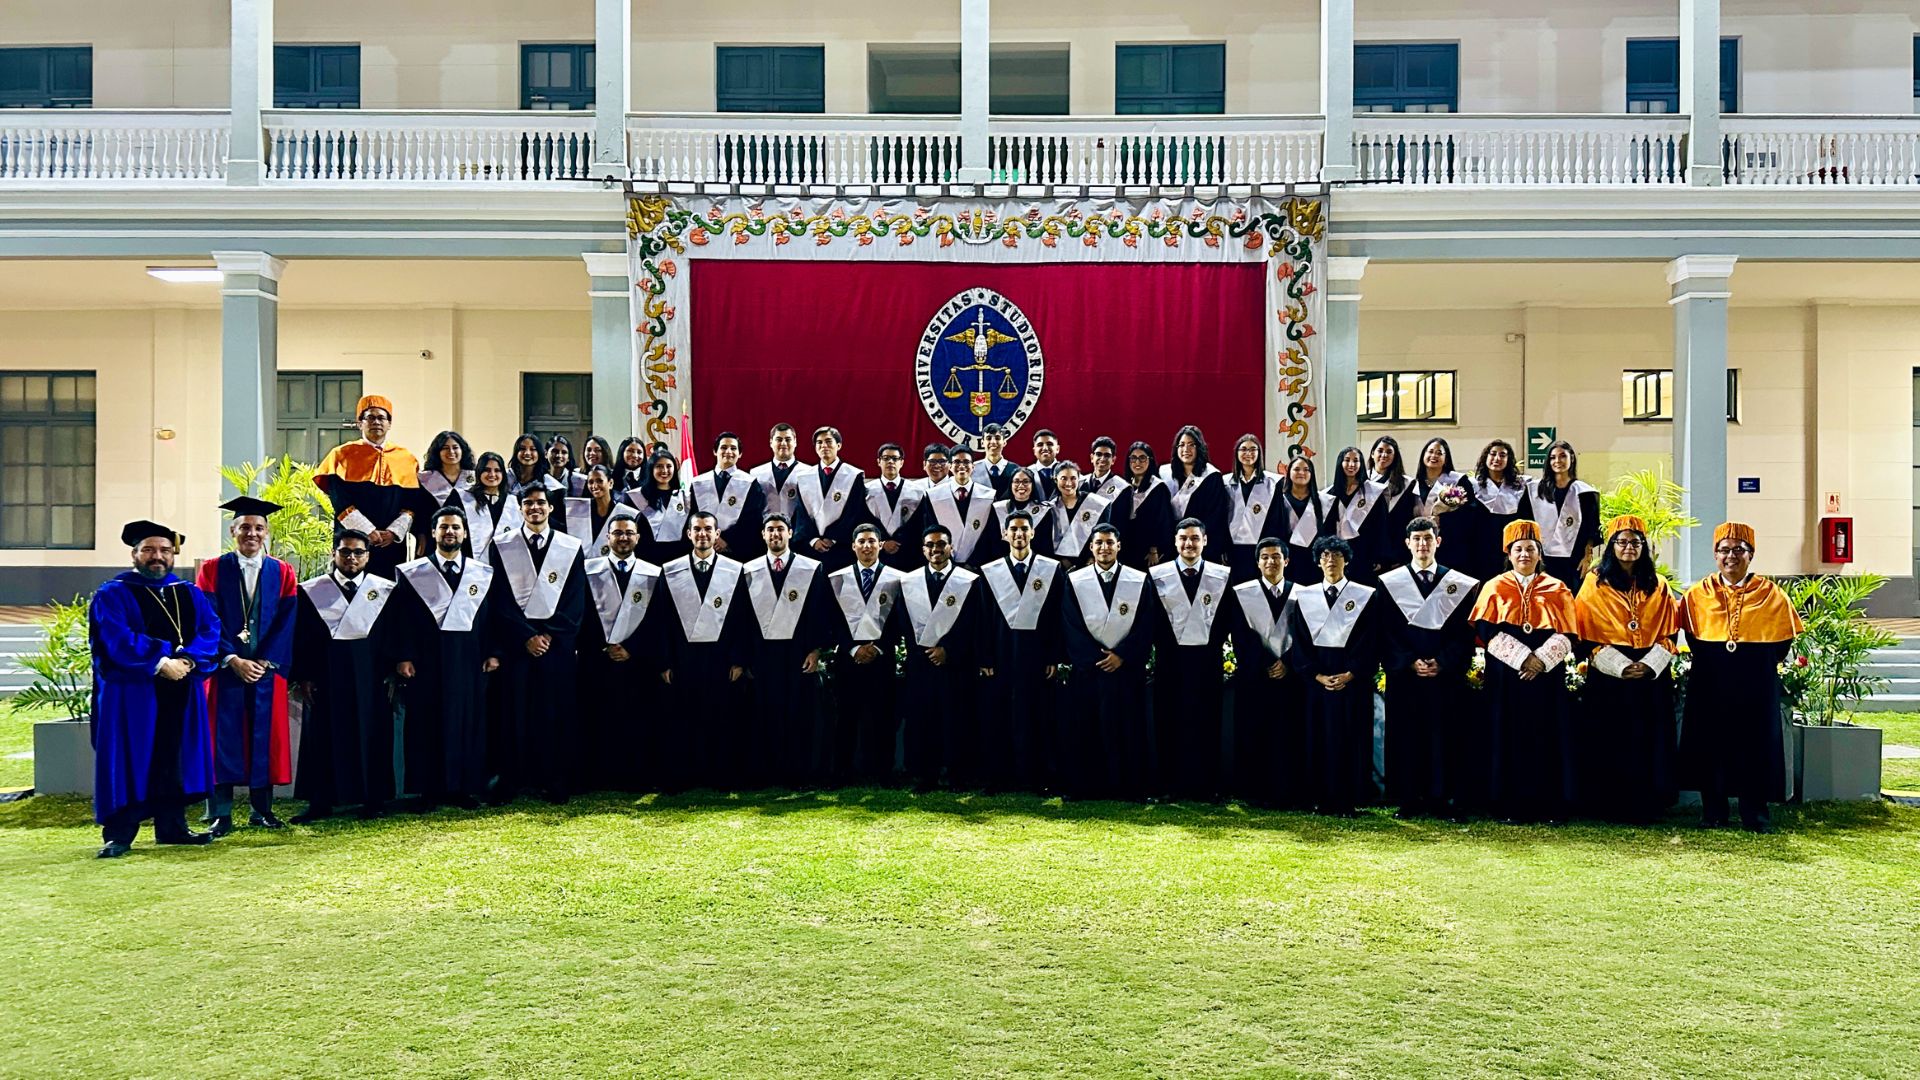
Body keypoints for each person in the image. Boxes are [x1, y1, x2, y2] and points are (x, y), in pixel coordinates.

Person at [90, 521, 219, 857]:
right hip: (133, 692)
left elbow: (210, 629)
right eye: (148, 549)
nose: (157, 556)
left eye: (164, 550)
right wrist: (161, 662)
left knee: (173, 756)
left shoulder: (188, 592)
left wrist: (188, 661)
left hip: (181, 687)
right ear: (134, 554)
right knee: (132, 757)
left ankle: (172, 827)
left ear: (173, 554)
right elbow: (115, 638)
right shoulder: (113, 593)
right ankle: (119, 834)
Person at [1678, 522, 1803, 833]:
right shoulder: (1698, 594)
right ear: (1715, 555)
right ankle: (1713, 812)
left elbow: (1782, 643)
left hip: (1755, 681)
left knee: (1756, 746)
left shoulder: (1772, 595)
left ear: (1751, 554)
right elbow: (1692, 638)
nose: (1730, 556)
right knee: (1710, 743)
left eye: (1738, 550)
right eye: (1724, 550)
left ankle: (1755, 814)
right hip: (1711, 680)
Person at [198, 496, 298, 836]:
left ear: (266, 532)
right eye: (244, 527)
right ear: (232, 531)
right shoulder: (212, 569)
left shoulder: (282, 571)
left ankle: (262, 810)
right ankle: (220, 814)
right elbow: (207, 618)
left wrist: (265, 660)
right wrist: (232, 659)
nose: (251, 533)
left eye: (258, 528)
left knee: (263, 739)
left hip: (266, 671)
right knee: (222, 738)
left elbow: (287, 620)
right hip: (225, 670)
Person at [1468, 520, 1580, 822]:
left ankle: (1549, 805)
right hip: (1506, 678)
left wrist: (1540, 660)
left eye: (1531, 549)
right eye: (1518, 549)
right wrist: (1522, 659)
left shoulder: (1558, 588)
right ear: (1509, 553)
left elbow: (1569, 632)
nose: (1525, 554)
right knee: (1506, 736)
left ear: (1540, 553)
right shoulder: (1494, 587)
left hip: (1546, 678)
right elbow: (1485, 630)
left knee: (1547, 736)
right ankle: (1508, 804)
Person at [389, 506, 499, 809]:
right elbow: (402, 619)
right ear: (434, 532)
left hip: (469, 658)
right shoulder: (414, 573)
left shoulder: (481, 574)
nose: (449, 532)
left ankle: (463, 788)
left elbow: (491, 617)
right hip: (427, 660)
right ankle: (427, 790)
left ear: (465, 533)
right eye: (444, 527)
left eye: (455, 527)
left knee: (466, 722)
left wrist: (493, 652)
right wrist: (404, 656)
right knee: (426, 722)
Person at [1575, 515, 1682, 823]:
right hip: (1610, 675)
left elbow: (1671, 632)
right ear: (1611, 546)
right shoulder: (1594, 583)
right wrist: (1621, 666)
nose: (1628, 548)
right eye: (1621, 542)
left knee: (1649, 741)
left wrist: (1648, 664)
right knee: (1610, 740)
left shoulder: (1659, 585)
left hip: (1650, 675)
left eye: (1635, 542)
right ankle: (1608, 803)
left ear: (1643, 547)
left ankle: (1650, 803)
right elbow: (1584, 634)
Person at [488, 482, 587, 803]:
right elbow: (499, 598)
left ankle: (554, 779)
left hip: (555, 647)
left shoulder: (570, 547)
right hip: (517, 646)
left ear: (550, 507)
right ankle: (512, 779)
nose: (535, 508)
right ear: (520, 509)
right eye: (528, 503)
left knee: (554, 713)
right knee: (514, 713)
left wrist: (548, 635)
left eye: (540, 503)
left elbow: (575, 599)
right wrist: (526, 636)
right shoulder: (502, 546)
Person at [1376, 518, 1479, 819]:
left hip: (1444, 675)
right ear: (1407, 543)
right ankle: (1408, 798)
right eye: (1417, 539)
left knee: (1444, 735)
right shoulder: (1389, 583)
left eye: (1428, 538)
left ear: (1438, 542)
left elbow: (1464, 632)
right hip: (1405, 675)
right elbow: (1384, 631)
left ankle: (1442, 797)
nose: (1423, 544)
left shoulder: (1458, 584)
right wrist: (1409, 660)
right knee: (1407, 736)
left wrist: (1443, 661)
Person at [290, 530, 395, 823]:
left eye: (358, 552)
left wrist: (392, 671)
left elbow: (392, 635)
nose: (352, 558)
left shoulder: (383, 591)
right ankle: (320, 801)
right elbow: (302, 637)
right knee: (322, 737)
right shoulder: (313, 591)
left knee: (372, 734)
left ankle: (373, 799)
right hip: (325, 676)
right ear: (334, 554)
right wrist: (304, 676)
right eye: (345, 551)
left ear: (368, 556)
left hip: (370, 677)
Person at [1284, 536, 1383, 816]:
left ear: (1346, 560)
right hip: (1318, 683)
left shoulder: (1365, 596)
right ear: (1318, 562)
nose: (1331, 560)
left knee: (1351, 738)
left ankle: (1350, 798)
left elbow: (1370, 640)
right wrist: (1316, 675)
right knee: (1318, 738)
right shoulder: (1305, 597)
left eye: (1337, 555)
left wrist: (1351, 674)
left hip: (1352, 682)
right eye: (1325, 555)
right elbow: (1300, 641)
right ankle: (1319, 797)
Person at [1060, 524, 1160, 799]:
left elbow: (1146, 623)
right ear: (1091, 547)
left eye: (1109, 543)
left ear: (1119, 546)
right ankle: (1087, 787)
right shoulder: (1075, 580)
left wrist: (1122, 655)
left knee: (1129, 727)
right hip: (1090, 671)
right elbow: (1070, 624)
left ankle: (1130, 787)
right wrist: (1096, 658)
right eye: (1099, 543)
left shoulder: (1138, 580)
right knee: (1087, 727)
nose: (1104, 548)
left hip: (1126, 670)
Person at [656, 511, 748, 791]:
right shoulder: (670, 570)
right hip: (683, 657)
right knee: (683, 716)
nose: (702, 534)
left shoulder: (735, 570)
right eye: (697, 529)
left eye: (708, 529)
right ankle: (684, 775)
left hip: (721, 656)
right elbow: (662, 620)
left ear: (717, 534)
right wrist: (665, 661)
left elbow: (742, 618)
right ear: (689, 534)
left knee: (720, 716)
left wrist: (738, 659)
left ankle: (719, 775)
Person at [739, 514, 833, 788]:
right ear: (763, 535)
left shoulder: (810, 568)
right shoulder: (749, 570)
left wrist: (815, 650)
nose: (775, 534)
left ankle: (797, 774)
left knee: (798, 714)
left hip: (797, 652)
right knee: (763, 714)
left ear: (790, 533)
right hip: (763, 654)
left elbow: (820, 612)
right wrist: (745, 657)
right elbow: (742, 618)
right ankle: (765, 773)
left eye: (781, 529)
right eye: (770, 529)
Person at [978, 508, 1065, 793]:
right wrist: (986, 655)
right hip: (1001, 653)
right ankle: (999, 777)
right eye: (1013, 529)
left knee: (1038, 714)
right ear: (1004, 534)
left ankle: (1038, 776)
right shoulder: (990, 572)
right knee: (1000, 715)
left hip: (1037, 655)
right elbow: (983, 617)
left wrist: (1053, 655)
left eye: (1024, 529)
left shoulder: (1050, 569)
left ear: (1033, 533)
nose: (1019, 534)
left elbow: (1057, 616)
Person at [576, 508, 662, 793]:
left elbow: (657, 621)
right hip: (598, 659)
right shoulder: (589, 571)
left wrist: (632, 649)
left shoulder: (653, 574)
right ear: (608, 538)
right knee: (599, 717)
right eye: (617, 533)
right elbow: (583, 615)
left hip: (637, 661)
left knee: (637, 718)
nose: (623, 538)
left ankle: (636, 776)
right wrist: (603, 647)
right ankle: (600, 776)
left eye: (628, 533)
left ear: (638, 538)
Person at [1149, 517, 1233, 800]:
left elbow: (1225, 619)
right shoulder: (1157, 575)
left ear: (1205, 541)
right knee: (1169, 720)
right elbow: (1152, 618)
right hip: (1170, 660)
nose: (1189, 543)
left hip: (1207, 659)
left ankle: (1207, 786)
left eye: (1195, 538)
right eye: (1183, 538)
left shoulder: (1221, 576)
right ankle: (1169, 785)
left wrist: (1208, 643)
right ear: (1175, 542)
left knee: (1207, 721)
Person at [898, 524, 984, 789]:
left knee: (957, 719)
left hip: (956, 664)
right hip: (921, 662)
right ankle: (925, 775)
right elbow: (904, 622)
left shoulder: (968, 581)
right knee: (923, 719)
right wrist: (925, 651)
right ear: (923, 550)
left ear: (951, 547)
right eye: (930, 545)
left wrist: (949, 650)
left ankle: (958, 774)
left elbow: (974, 622)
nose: (936, 549)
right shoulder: (909, 582)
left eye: (941, 544)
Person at [1223, 538, 1302, 808]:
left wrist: (1287, 663)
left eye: (1276, 556)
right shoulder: (1242, 593)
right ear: (1257, 563)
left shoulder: (1302, 594)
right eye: (1265, 557)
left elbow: (1306, 637)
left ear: (1286, 561)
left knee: (1288, 734)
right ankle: (1253, 791)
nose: (1271, 561)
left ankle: (1288, 791)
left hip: (1290, 678)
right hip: (1255, 676)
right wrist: (1267, 662)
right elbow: (1240, 635)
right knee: (1254, 732)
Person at [826, 524, 904, 783]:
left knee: (883, 715)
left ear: (880, 545)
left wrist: (878, 647)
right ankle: (842, 771)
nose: (867, 546)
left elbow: (900, 621)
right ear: (853, 546)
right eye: (862, 541)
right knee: (845, 716)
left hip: (882, 656)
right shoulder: (837, 578)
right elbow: (833, 620)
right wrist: (853, 648)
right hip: (848, 658)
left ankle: (883, 772)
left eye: (872, 541)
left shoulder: (896, 578)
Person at [313, 394, 421, 578]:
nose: (376, 422)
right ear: (359, 423)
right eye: (370, 417)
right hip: (352, 541)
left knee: (389, 588)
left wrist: (393, 532)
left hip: (390, 543)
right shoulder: (342, 455)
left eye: (381, 418)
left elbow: (411, 502)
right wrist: (367, 532)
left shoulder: (406, 458)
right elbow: (340, 501)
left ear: (389, 424)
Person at [792, 426, 867, 573]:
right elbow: (801, 513)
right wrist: (813, 540)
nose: (824, 446)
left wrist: (832, 538)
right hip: (811, 547)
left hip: (841, 546)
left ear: (838, 445)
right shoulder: (804, 476)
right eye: (819, 443)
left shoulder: (853, 475)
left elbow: (855, 512)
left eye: (828, 441)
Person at [1456, 439, 1531, 584]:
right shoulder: (1471, 485)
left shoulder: (1519, 486)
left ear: (1509, 460)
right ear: (1486, 457)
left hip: (1509, 544)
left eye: (1502, 455)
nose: (1497, 458)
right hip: (1480, 546)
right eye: (1493, 454)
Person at [1533, 440, 1601, 594]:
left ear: (1572, 458)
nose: (1558, 461)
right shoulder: (1538, 491)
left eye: (1563, 456)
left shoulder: (1585, 492)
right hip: (1544, 559)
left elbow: (1591, 528)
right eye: (1553, 457)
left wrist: (1587, 557)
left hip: (1575, 559)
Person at [688, 431, 767, 561]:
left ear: (740, 454)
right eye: (724, 447)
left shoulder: (750, 483)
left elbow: (753, 519)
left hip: (737, 550)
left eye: (733, 448)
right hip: (703, 546)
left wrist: (726, 540)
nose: (728, 451)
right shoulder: (698, 483)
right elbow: (692, 515)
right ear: (715, 451)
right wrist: (708, 537)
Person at [916, 446, 996, 569]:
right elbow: (928, 530)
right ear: (950, 466)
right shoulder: (933, 496)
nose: (961, 466)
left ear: (973, 466)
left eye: (966, 462)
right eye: (957, 462)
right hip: (943, 564)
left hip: (979, 565)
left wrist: (974, 563)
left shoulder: (988, 496)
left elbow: (990, 534)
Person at [1159, 425, 1228, 562]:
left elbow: (1216, 515)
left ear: (1199, 448)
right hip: (1170, 544)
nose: (1186, 449)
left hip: (1200, 545)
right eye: (1182, 445)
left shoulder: (1211, 476)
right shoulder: (1164, 473)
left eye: (1191, 445)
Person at [1222, 434, 1282, 584]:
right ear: (1237, 453)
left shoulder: (1272, 482)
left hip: (1261, 549)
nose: (1248, 453)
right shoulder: (1225, 482)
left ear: (1259, 453)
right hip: (1233, 549)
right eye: (1243, 449)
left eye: (1252, 449)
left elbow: (1276, 519)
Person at [1106, 441, 1171, 571]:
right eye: (1133, 458)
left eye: (1142, 458)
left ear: (1150, 460)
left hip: (1147, 550)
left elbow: (1162, 520)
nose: (1137, 462)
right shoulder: (1124, 486)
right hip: (1127, 547)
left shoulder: (1158, 488)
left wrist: (1154, 549)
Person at [1327, 445, 1387, 584]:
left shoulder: (1372, 492)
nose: (1351, 464)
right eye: (1347, 460)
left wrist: (1379, 556)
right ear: (1340, 463)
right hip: (1338, 552)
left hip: (1365, 552)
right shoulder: (1330, 493)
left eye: (1356, 461)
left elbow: (1381, 526)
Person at [865, 442, 927, 573]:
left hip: (908, 554)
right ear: (878, 462)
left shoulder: (916, 491)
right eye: (886, 458)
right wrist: (883, 542)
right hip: (876, 552)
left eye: (895, 458)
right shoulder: (867, 490)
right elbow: (864, 520)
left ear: (902, 462)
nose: (890, 462)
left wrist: (899, 542)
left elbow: (919, 525)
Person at [1274, 455, 1336, 586]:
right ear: (1288, 472)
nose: (1301, 473)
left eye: (1306, 469)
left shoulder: (1324, 501)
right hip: (1287, 561)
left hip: (1316, 561)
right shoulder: (1279, 501)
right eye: (1296, 469)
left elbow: (1330, 533)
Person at [415, 430, 476, 555]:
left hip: (468, 539)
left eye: (455, 447)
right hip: (432, 538)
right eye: (445, 448)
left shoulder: (475, 479)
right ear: (437, 452)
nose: (451, 452)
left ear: (462, 450)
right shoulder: (425, 479)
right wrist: (420, 536)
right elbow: (418, 512)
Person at [1039, 461, 1109, 569]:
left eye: (1073, 478)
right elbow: (1044, 542)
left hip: (1090, 564)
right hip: (1058, 566)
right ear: (1055, 479)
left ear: (1078, 479)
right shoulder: (1048, 508)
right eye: (1063, 478)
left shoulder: (1093, 503)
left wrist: (1092, 557)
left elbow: (1102, 533)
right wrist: (1061, 561)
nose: (1068, 483)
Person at [1366, 436, 1418, 578]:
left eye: (1389, 452)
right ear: (1372, 454)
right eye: (1380, 451)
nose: (1384, 455)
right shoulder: (1362, 482)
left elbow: (1408, 520)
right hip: (1366, 552)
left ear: (1395, 457)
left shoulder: (1407, 484)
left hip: (1395, 553)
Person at [455, 451, 521, 560]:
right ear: (479, 472)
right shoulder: (464, 499)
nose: (492, 474)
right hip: (470, 561)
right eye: (487, 470)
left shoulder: (513, 501)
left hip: (505, 563)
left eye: (497, 470)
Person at [634, 450, 693, 567]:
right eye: (659, 466)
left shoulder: (684, 497)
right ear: (651, 469)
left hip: (680, 557)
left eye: (669, 466)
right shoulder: (639, 496)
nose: (665, 470)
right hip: (648, 558)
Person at [563, 464, 625, 558]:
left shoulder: (622, 512)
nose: (594, 486)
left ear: (610, 483)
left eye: (599, 481)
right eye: (591, 482)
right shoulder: (578, 510)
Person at [989, 466, 1048, 558]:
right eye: (1016, 481)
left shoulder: (1044, 510)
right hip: (1002, 559)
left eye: (1026, 481)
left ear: (1032, 485)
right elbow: (992, 541)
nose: (1021, 485)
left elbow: (1045, 544)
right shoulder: (998, 508)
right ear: (1011, 484)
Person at [751, 422, 804, 520]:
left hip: (797, 528)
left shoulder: (808, 472)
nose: (783, 443)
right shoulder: (756, 474)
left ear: (795, 442)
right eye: (779, 439)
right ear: (771, 442)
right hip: (764, 528)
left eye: (788, 439)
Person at [1408, 437, 1464, 523]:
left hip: (1449, 530)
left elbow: (1469, 512)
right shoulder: (1413, 485)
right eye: (1430, 452)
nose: (1434, 456)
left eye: (1439, 453)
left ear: (1446, 458)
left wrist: (1443, 520)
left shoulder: (1458, 481)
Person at [971, 423, 1020, 498]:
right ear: (982, 443)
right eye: (989, 438)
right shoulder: (973, 469)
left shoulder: (1015, 470)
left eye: (997, 438)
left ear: (1004, 442)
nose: (993, 442)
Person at [1029, 429, 1062, 499]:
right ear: (1034, 451)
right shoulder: (1026, 473)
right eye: (1040, 445)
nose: (1045, 448)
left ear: (1057, 449)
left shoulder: (1070, 472)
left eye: (1049, 444)